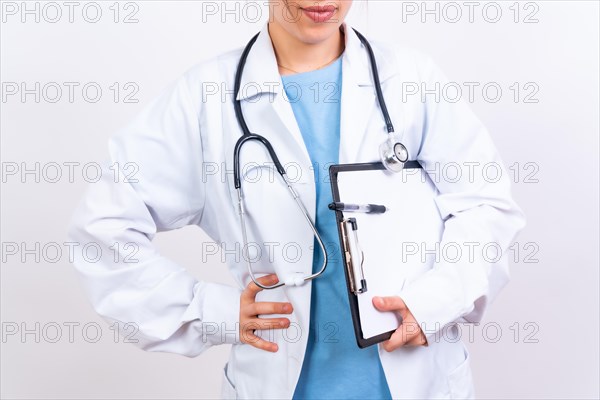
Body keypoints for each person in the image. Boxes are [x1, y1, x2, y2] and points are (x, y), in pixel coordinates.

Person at [68, 1, 526, 399]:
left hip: (416, 381)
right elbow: (103, 230)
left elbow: (486, 204)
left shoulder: (411, 79)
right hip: (277, 384)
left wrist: (438, 301)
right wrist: (210, 311)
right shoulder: (204, 97)